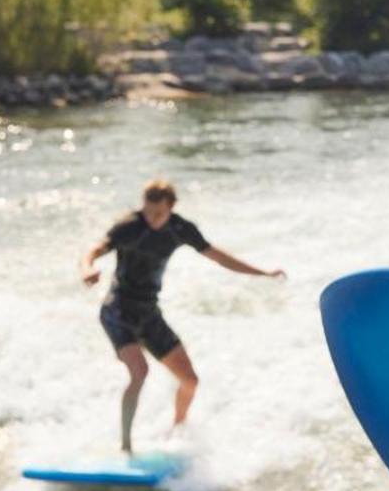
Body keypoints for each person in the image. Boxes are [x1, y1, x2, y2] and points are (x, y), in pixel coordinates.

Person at [79, 179, 285, 451]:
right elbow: (94, 251)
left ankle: (177, 430)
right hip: (118, 311)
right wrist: (86, 269)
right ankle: (126, 446)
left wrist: (263, 272)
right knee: (140, 372)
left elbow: (219, 257)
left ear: (171, 207)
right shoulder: (129, 226)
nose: (152, 219)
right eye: (148, 211)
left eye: (159, 214)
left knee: (190, 380)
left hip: (149, 313)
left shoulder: (179, 229)